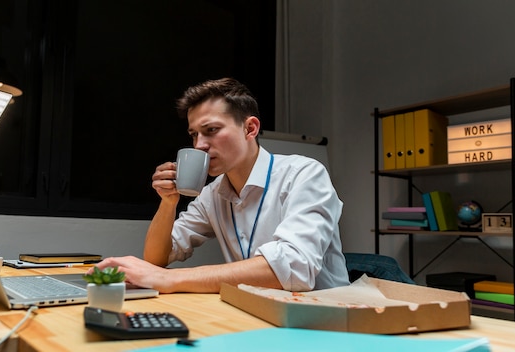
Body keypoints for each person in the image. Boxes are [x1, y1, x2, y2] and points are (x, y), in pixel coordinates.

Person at [92, 78, 349, 293]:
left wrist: (171, 279)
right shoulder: (212, 193)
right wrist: (168, 202)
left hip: (328, 318)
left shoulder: (304, 173)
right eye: (194, 134)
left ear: (250, 128)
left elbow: (295, 267)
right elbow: (158, 258)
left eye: (211, 130)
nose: (199, 145)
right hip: (258, 312)